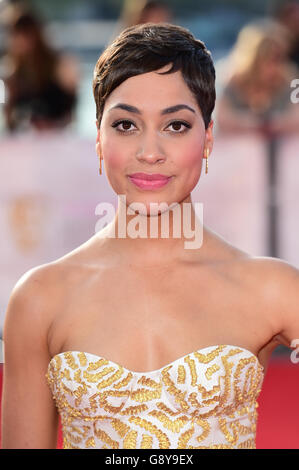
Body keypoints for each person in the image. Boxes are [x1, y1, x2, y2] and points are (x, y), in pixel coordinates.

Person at [1, 22, 299, 449]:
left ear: (208, 139)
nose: (150, 151)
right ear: (99, 140)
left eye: (175, 126)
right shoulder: (39, 297)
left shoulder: (274, 288)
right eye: (126, 125)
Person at [1, 6, 79, 132]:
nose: (21, 41)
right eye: (16, 35)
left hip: (58, 137)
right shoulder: (9, 71)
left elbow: (71, 112)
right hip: (25, 141)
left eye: (25, 33)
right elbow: (8, 119)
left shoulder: (61, 65)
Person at [216, 19, 299, 136]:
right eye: (266, 57)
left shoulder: (290, 77)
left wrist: (273, 123)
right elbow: (221, 120)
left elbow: (296, 118)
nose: (273, 65)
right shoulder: (231, 77)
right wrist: (255, 124)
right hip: (238, 148)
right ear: (252, 58)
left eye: (279, 58)